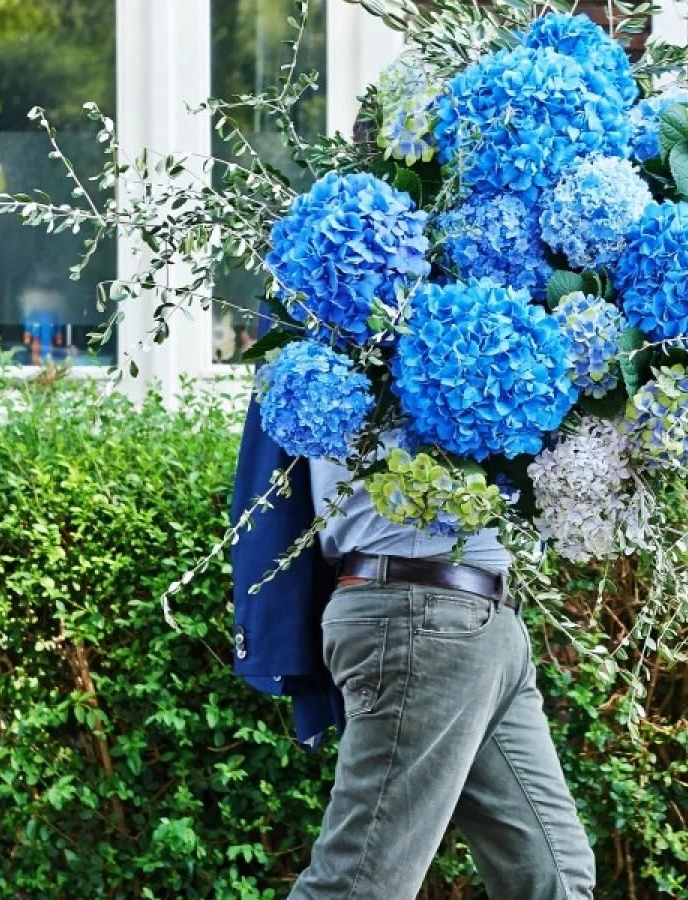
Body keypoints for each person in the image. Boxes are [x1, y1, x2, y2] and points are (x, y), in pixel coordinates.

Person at [230, 347, 597, 899]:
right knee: (358, 886)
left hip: (479, 620)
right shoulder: (367, 306)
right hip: (421, 612)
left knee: (552, 878)